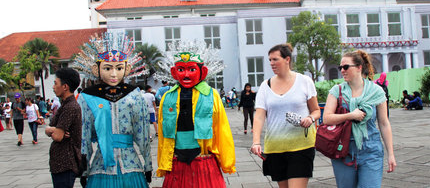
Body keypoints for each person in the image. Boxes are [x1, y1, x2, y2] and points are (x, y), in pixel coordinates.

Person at [74, 32, 152, 188]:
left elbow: (143, 134)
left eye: (119, 68)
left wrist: (148, 164)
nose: (114, 74)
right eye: (107, 68)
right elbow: (84, 136)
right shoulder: (88, 97)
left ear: (127, 69)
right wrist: (84, 167)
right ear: (97, 70)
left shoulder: (134, 95)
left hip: (129, 165)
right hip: (103, 164)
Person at [156, 51, 236, 188]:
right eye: (181, 70)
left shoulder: (212, 96)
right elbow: (162, 134)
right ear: (174, 73)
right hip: (177, 161)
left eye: (191, 69)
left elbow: (222, 129)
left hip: (204, 161)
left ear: (202, 72)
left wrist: (227, 161)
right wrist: (163, 162)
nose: (186, 75)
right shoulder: (167, 97)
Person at [323, 50, 396, 188]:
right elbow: (326, 118)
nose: (342, 71)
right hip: (344, 150)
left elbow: (384, 123)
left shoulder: (376, 91)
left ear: (359, 67)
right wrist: (351, 115)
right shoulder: (337, 91)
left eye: (346, 67)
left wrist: (391, 154)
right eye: (340, 68)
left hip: (371, 149)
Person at [251, 43, 321, 188]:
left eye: (275, 59)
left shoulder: (305, 81)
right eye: (269, 60)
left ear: (287, 59)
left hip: (301, 146)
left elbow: (316, 111)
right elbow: (259, 116)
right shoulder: (265, 86)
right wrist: (256, 142)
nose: (271, 63)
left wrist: (310, 118)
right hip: (275, 147)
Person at [45, 68, 82, 188]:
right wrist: (50, 129)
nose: (53, 87)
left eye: (56, 83)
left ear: (65, 86)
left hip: (65, 162)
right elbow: (52, 130)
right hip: (60, 162)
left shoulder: (70, 107)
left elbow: (57, 136)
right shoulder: (65, 104)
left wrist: (51, 130)